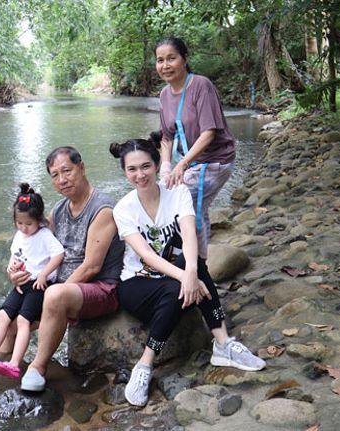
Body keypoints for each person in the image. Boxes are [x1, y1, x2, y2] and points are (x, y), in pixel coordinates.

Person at [109, 136, 265, 407]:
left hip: (173, 277)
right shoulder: (123, 208)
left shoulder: (177, 192)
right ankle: (145, 364)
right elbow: (145, 254)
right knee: (178, 286)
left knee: (197, 267)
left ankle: (222, 343)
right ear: (124, 172)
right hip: (138, 282)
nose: (140, 174)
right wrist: (185, 277)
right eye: (132, 169)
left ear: (157, 165)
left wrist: (191, 270)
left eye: (145, 166)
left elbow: (189, 233)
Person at [11, 147, 125, 392]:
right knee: (12, 315)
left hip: (101, 288)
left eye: (67, 171)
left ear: (81, 168)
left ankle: (38, 367)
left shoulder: (102, 209)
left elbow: (91, 267)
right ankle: (2, 367)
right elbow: (38, 252)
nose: (61, 180)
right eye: (54, 175)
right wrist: (15, 273)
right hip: (62, 288)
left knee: (52, 296)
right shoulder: (59, 209)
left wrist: (50, 297)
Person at [0, 183, 65, 380]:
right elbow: (15, 256)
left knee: (22, 321)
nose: (24, 228)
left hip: (39, 285)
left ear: (38, 220)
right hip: (21, 284)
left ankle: (13, 364)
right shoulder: (20, 236)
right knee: (3, 316)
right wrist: (10, 268)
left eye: (28, 224)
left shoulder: (45, 235)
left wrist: (44, 274)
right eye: (19, 223)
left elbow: (59, 254)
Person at [155, 36, 236, 259]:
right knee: (191, 204)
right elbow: (166, 136)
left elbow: (209, 133)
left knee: (185, 209)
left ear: (184, 59)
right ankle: (199, 261)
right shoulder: (164, 94)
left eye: (171, 58)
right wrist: (165, 167)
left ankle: (197, 267)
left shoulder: (201, 85)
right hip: (191, 162)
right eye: (160, 60)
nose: (165, 65)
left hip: (214, 161)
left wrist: (181, 164)